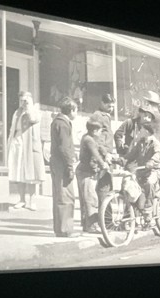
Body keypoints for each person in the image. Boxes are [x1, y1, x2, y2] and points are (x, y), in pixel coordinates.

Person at [119, 102, 160, 224]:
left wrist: (151, 162)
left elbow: (158, 155)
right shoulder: (141, 143)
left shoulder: (154, 142)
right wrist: (121, 160)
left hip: (153, 171)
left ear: (147, 132)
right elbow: (131, 154)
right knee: (131, 188)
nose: (140, 132)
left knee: (149, 183)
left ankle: (148, 211)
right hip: (141, 171)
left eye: (143, 130)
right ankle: (132, 216)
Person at [114, 90, 160, 181]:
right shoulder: (130, 123)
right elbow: (118, 134)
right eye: (144, 113)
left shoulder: (154, 122)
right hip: (133, 158)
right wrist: (121, 150)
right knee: (131, 180)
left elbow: (157, 148)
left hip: (145, 158)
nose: (151, 108)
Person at [7, 91, 45, 211]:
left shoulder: (35, 111)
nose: (23, 103)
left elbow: (33, 119)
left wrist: (29, 107)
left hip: (29, 145)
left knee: (30, 174)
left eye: (25, 100)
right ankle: (22, 199)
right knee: (19, 173)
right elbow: (12, 128)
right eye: (21, 101)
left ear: (30, 99)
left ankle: (32, 201)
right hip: (17, 142)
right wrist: (9, 143)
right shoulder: (17, 112)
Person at [50, 97, 80, 238]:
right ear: (71, 110)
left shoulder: (57, 122)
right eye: (76, 110)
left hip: (57, 162)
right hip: (62, 164)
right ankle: (65, 230)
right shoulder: (63, 124)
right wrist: (69, 165)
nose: (77, 113)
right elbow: (64, 147)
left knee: (59, 196)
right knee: (66, 197)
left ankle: (60, 229)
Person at [76, 114, 110, 234]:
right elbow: (95, 153)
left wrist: (107, 154)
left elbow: (99, 147)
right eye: (100, 131)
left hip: (84, 171)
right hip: (86, 172)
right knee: (91, 199)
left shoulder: (89, 137)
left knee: (86, 199)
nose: (101, 133)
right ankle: (93, 226)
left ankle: (87, 225)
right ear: (95, 131)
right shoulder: (89, 140)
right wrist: (103, 164)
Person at [93, 93, 116, 206]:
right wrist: (105, 153)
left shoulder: (106, 116)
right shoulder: (98, 116)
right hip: (102, 156)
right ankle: (104, 213)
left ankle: (105, 213)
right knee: (104, 186)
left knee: (107, 185)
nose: (111, 109)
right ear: (102, 103)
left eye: (112, 106)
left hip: (107, 154)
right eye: (108, 106)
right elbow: (97, 140)